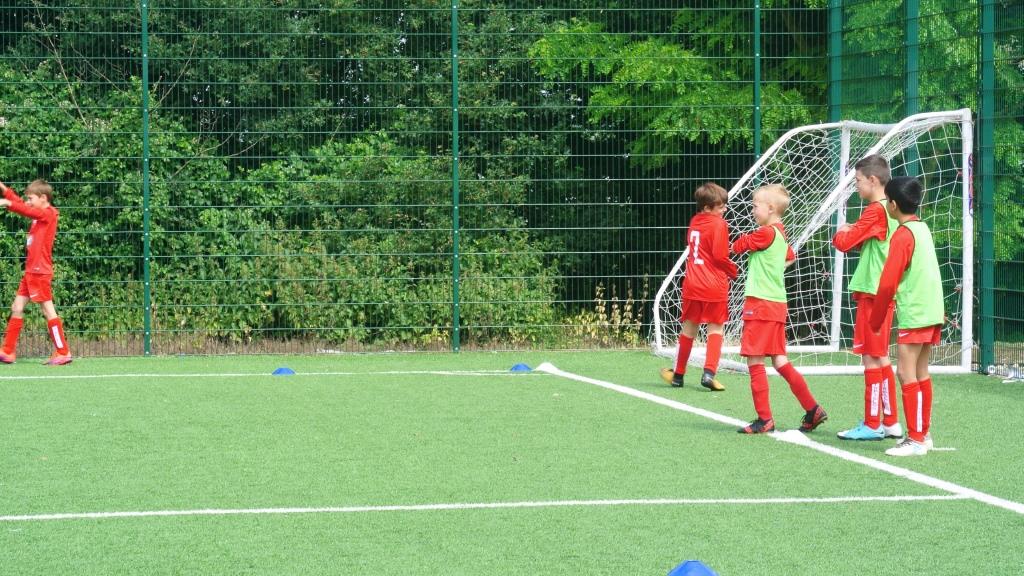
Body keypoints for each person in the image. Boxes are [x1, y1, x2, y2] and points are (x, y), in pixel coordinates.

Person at [731, 184, 826, 434]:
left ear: (771, 208)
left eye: (755, 206)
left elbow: (738, 246)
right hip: (776, 304)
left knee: (754, 360)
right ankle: (812, 408)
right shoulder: (781, 235)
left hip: (761, 304)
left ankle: (765, 419)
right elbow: (790, 256)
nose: (752, 210)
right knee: (780, 361)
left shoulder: (765, 233)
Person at [831, 155, 903, 441]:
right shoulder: (892, 209)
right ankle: (891, 421)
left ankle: (872, 423)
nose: (856, 187)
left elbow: (845, 242)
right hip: (883, 290)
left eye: (858, 181)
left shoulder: (875, 211)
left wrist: (843, 232)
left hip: (873, 291)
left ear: (873, 181)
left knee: (871, 360)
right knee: (881, 356)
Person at [870, 176, 942, 457]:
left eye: (887, 200)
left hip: (916, 310)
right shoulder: (922, 228)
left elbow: (888, 282)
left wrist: (876, 321)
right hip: (932, 308)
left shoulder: (902, 234)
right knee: (921, 372)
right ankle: (923, 434)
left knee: (905, 372)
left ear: (893, 204)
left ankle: (914, 439)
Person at [660, 182, 736, 391]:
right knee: (716, 328)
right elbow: (720, 256)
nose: (724, 209)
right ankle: (709, 373)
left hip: (692, 283)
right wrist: (733, 270)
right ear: (706, 208)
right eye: (720, 206)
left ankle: (678, 375)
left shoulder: (694, 221)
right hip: (713, 285)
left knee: (689, 328)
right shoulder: (719, 224)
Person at [0, 179, 72, 365]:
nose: (28, 202)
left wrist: (7, 203)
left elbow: (25, 209)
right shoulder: (38, 212)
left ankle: (63, 351)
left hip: (39, 272)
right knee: (17, 307)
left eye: (31, 198)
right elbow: (22, 205)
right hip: (31, 271)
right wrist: (4, 189)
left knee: (48, 310)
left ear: (43, 198)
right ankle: (7, 351)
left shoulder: (48, 214)